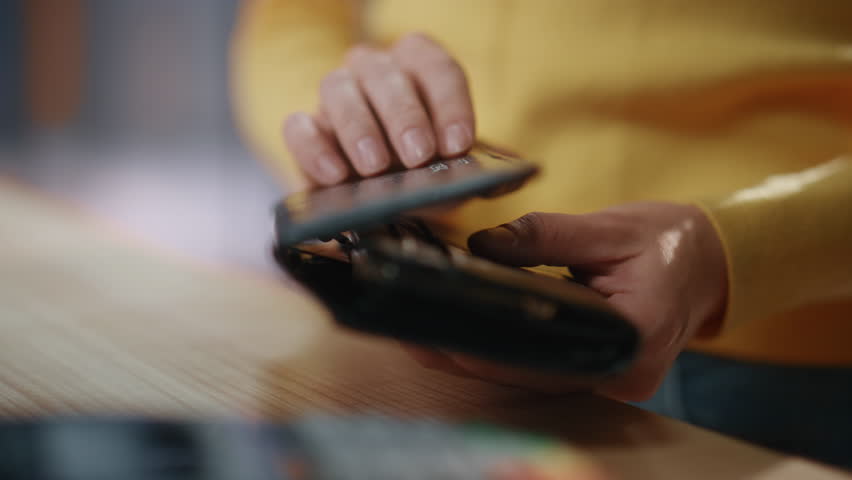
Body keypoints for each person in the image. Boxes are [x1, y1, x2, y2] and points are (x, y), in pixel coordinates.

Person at [231, 0, 852, 467]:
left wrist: (740, 248)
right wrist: (338, 125)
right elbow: (291, 18)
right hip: (407, 305)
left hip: (770, 379)